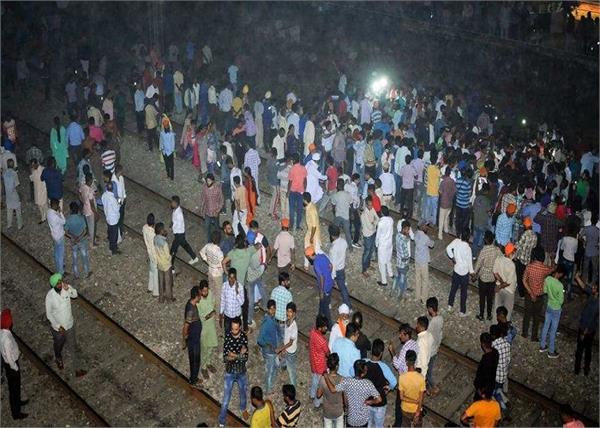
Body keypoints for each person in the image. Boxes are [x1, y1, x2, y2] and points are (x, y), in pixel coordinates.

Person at [45, 273, 87, 377]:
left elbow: (75, 295)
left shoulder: (66, 288)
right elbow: (49, 314)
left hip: (69, 324)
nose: (60, 284)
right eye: (58, 283)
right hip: (59, 329)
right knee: (58, 345)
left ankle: (77, 369)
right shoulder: (50, 297)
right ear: (54, 285)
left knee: (73, 346)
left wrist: (69, 289)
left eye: (61, 282)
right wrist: (57, 326)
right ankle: (58, 357)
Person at [323, 359, 382, 428]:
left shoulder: (347, 381)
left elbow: (333, 390)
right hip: (363, 420)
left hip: (351, 419)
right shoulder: (368, 384)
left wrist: (326, 377)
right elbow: (379, 399)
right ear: (363, 372)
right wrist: (370, 401)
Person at [218, 317, 250, 427]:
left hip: (241, 370)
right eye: (232, 329)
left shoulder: (243, 337)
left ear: (240, 327)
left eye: (236, 329)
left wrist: (233, 355)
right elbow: (225, 358)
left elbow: (245, 357)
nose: (233, 331)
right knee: (226, 397)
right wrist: (239, 355)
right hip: (230, 371)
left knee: (243, 392)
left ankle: (243, 408)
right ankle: (222, 420)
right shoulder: (228, 337)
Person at [0, 309, 28, 420]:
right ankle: (16, 413)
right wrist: (15, 367)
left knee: (15, 388)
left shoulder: (3, 332)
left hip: (10, 365)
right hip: (12, 366)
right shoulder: (6, 338)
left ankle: (18, 403)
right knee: (14, 388)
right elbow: (9, 356)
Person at [389, 323, 418, 427]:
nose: (399, 336)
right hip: (412, 378)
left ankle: (397, 424)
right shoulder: (415, 344)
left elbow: (397, 365)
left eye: (401, 334)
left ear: (407, 335)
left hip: (404, 380)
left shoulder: (405, 348)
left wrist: (392, 352)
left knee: (399, 404)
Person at [366, 339, 397, 428]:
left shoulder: (364, 362)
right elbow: (394, 382)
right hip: (380, 403)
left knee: (368, 424)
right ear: (381, 353)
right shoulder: (383, 367)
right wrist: (388, 388)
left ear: (371, 351)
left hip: (367, 401)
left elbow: (351, 372)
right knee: (378, 425)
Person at [573, 272, 598, 376]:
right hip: (591, 329)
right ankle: (586, 370)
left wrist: (584, 332)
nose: (592, 286)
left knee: (580, 350)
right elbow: (584, 287)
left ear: (597, 290)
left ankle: (577, 370)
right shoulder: (593, 294)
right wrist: (577, 277)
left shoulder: (596, 303)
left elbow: (590, 319)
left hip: (586, 329)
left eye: (595, 286)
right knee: (588, 350)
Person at [473, 231, 502, 321]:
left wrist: (474, 274)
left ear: (485, 239)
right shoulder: (497, 250)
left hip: (483, 278)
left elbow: (478, 264)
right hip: (493, 277)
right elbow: (501, 258)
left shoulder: (484, 250)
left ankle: (481, 314)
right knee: (490, 297)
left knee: (482, 297)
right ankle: (489, 315)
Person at [539, 265, 566, 358]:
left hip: (549, 305)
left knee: (546, 326)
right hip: (556, 309)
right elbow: (561, 301)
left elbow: (545, 290)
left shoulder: (548, 279)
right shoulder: (560, 285)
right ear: (560, 274)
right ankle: (551, 351)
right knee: (553, 330)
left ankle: (542, 346)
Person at [446, 229, 474, 316]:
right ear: (468, 237)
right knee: (463, 292)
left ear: (461, 235)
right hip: (464, 273)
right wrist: (472, 273)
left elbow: (448, 248)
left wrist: (452, 257)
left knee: (453, 289)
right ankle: (462, 311)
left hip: (456, 270)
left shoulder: (456, 241)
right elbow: (469, 263)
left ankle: (450, 306)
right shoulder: (468, 249)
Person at [305, 246, 334, 328]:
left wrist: (321, 291)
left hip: (325, 288)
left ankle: (330, 326)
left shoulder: (316, 264)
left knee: (326, 307)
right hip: (330, 283)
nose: (307, 258)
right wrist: (328, 275)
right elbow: (331, 266)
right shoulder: (322, 256)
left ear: (310, 256)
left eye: (307, 257)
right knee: (322, 303)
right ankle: (319, 317)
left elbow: (321, 278)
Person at [170, 195, 199, 270]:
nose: (171, 203)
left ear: (176, 203)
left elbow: (178, 225)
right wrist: (172, 223)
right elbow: (174, 220)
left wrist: (173, 226)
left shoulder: (179, 214)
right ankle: (194, 257)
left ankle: (171, 267)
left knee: (173, 250)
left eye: (172, 202)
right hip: (180, 234)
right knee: (185, 245)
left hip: (179, 234)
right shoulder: (175, 210)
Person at [257, 299, 279, 395]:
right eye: (271, 309)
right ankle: (268, 391)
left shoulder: (272, 319)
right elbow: (259, 340)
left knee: (275, 366)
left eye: (274, 309)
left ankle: (270, 383)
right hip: (269, 351)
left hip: (273, 350)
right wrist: (268, 345)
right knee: (269, 370)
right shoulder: (267, 322)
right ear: (268, 309)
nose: (273, 311)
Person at [197, 280, 218, 380]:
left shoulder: (210, 294)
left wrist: (213, 311)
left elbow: (213, 303)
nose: (205, 293)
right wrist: (210, 315)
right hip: (203, 327)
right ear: (200, 291)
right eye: (204, 291)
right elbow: (200, 317)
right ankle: (203, 367)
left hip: (211, 325)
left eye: (206, 291)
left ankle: (208, 363)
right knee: (204, 348)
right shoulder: (198, 300)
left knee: (211, 345)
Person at [398, 350, 425, 427]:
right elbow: (421, 397)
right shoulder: (421, 378)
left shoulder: (402, 378)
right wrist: (418, 412)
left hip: (405, 409)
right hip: (416, 409)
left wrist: (413, 401)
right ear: (415, 361)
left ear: (406, 361)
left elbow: (401, 397)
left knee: (406, 425)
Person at [64, 201, 91, 279]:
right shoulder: (81, 218)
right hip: (82, 240)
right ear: (77, 210)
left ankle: (76, 275)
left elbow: (65, 232)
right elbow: (85, 231)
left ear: (71, 210)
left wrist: (72, 237)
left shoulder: (68, 220)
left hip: (73, 242)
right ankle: (86, 272)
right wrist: (79, 237)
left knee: (75, 258)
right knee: (84, 257)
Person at [316, 353, 344, 428]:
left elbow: (318, 395)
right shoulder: (342, 379)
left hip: (327, 412)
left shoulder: (323, 379)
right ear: (337, 366)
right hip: (338, 411)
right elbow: (344, 396)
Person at [182, 285, 203, 388]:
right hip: (193, 338)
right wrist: (184, 339)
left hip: (195, 336)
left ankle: (194, 377)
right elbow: (186, 326)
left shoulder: (192, 304)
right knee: (195, 359)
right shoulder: (191, 310)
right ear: (196, 296)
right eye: (200, 295)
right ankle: (193, 381)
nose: (201, 296)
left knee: (195, 359)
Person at [200, 230, 225, 310]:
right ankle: (217, 309)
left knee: (211, 289)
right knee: (218, 293)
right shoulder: (219, 252)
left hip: (210, 270)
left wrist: (207, 260)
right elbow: (221, 264)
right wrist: (222, 270)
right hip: (217, 274)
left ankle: (211, 304)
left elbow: (201, 252)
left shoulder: (207, 246)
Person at [492, 242, 517, 320]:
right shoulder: (512, 265)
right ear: (511, 253)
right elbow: (508, 283)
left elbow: (495, 272)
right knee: (507, 311)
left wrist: (500, 283)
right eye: (514, 252)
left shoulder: (499, 259)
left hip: (499, 288)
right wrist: (501, 285)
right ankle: (504, 328)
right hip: (509, 291)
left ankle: (495, 326)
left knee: (497, 309)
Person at [309, 315, 330, 408]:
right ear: (320, 328)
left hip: (313, 362)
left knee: (314, 380)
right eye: (324, 327)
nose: (326, 328)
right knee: (320, 385)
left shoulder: (313, 332)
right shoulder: (322, 341)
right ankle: (317, 403)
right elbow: (328, 353)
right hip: (321, 366)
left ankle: (312, 394)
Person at [329, 225, 352, 309]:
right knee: (343, 288)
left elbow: (333, 263)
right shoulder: (344, 241)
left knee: (329, 288)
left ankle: (328, 303)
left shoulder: (334, 247)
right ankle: (348, 306)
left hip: (335, 271)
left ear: (332, 235)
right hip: (341, 268)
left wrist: (332, 276)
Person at [277, 302, 298, 388]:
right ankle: (283, 366)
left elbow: (290, 342)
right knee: (283, 358)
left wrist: (281, 348)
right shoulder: (287, 321)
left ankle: (294, 386)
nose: (288, 313)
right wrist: (283, 348)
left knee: (291, 370)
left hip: (291, 351)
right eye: (287, 311)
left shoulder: (294, 326)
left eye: (290, 312)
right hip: (287, 348)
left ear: (294, 313)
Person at [414, 220, 434, 304]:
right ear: (422, 227)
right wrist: (432, 241)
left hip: (417, 259)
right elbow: (431, 244)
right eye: (426, 226)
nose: (427, 227)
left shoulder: (416, 234)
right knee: (425, 280)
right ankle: (424, 298)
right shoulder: (425, 237)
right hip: (423, 262)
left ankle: (417, 296)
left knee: (418, 278)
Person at [220, 268, 245, 334]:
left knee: (236, 333)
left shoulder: (240, 287)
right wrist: (221, 312)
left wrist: (237, 292)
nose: (232, 280)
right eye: (230, 277)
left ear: (236, 278)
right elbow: (223, 300)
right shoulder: (224, 286)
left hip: (236, 316)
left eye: (233, 278)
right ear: (228, 277)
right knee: (227, 332)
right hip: (227, 315)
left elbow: (242, 303)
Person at [425, 298, 443, 396]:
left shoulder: (432, 323)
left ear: (431, 309)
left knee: (428, 372)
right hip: (435, 349)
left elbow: (427, 337)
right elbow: (440, 334)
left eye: (428, 308)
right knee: (429, 369)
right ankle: (427, 388)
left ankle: (434, 387)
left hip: (430, 351)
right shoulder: (440, 319)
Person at [474, 332, 499, 399]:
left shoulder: (486, 359)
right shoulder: (495, 352)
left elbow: (482, 377)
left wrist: (480, 390)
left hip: (483, 389)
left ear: (483, 344)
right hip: (491, 385)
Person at [154, 222, 175, 303]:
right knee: (168, 283)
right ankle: (169, 299)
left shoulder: (155, 239)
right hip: (166, 265)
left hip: (159, 264)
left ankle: (161, 298)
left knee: (161, 282)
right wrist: (171, 256)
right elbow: (167, 256)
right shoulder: (164, 243)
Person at [200, 173, 224, 240]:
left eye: (209, 181)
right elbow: (203, 198)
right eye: (207, 181)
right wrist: (202, 209)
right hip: (207, 212)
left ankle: (218, 239)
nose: (208, 182)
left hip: (215, 212)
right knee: (207, 227)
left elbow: (221, 200)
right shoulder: (205, 188)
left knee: (216, 227)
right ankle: (209, 241)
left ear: (213, 181)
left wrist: (218, 210)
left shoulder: (217, 189)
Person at [288, 154, 307, 231]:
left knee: (292, 209)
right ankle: (298, 226)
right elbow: (305, 180)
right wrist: (304, 188)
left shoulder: (292, 169)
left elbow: (290, 182)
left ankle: (291, 225)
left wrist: (288, 191)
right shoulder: (303, 168)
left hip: (292, 191)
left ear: (293, 161)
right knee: (300, 209)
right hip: (300, 191)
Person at [375, 206, 394, 287]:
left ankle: (384, 281)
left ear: (382, 213)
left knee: (381, 263)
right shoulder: (391, 220)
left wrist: (376, 244)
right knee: (388, 259)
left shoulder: (380, 223)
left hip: (382, 245)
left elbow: (378, 235)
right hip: (389, 243)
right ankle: (391, 274)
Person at [361, 196, 379, 277]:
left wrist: (373, 223)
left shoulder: (372, 209)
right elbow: (369, 226)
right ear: (366, 204)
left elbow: (377, 218)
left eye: (372, 205)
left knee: (371, 250)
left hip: (373, 233)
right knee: (366, 252)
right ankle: (364, 269)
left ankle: (368, 265)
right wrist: (374, 223)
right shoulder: (364, 214)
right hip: (367, 235)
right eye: (369, 205)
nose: (371, 207)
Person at [303, 192, 322, 269]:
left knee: (316, 250)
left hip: (314, 233)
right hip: (310, 231)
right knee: (307, 247)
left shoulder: (311, 210)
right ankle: (306, 264)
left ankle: (319, 264)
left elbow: (314, 226)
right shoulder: (309, 206)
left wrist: (311, 237)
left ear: (305, 201)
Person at [47, 198, 66, 274]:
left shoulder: (48, 212)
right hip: (59, 236)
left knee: (56, 252)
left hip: (54, 235)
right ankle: (61, 271)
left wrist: (57, 212)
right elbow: (64, 221)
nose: (58, 206)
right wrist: (60, 212)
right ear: (55, 206)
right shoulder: (55, 216)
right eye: (58, 205)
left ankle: (58, 266)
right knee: (60, 254)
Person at [101, 181, 121, 255]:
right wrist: (118, 203)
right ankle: (113, 249)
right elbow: (116, 209)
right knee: (114, 235)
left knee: (110, 232)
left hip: (108, 217)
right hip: (114, 219)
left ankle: (112, 245)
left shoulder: (104, 195)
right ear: (112, 189)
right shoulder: (112, 199)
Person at [3, 159, 22, 230]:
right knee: (18, 210)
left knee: (9, 211)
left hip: (8, 195)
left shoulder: (4, 173)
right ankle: (20, 225)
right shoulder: (14, 173)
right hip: (14, 194)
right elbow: (17, 185)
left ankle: (9, 225)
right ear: (13, 164)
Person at [394, 220, 411, 297]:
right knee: (402, 279)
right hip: (403, 264)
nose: (408, 231)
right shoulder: (403, 241)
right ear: (404, 229)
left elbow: (405, 239)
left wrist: (407, 237)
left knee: (398, 276)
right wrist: (407, 259)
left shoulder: (398, 235)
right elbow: (405, 255)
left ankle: (393, 290)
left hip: (398, 261)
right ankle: (400, 295)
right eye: (408, 229)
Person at [143, 213, 159, 297]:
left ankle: (150, 287)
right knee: (155, 272)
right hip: (154, 255)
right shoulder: (153, 234)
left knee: (151, 270)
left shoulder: (144, 228)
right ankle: (156, 292)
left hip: (149, 252)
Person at [79, 173, 97, 248]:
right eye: (92, 180)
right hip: (90, 211)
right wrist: (96, 213)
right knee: (92, 227)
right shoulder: (90, 190)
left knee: (88, 225)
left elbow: (79, 193)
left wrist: (83, 201)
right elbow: (92, 203)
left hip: (85, 209)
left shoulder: (83, 186)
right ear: (90, 180)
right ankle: (92, 244)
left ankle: (90, 238)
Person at [437, 168, 456, 240]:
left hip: (443, 202)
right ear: (450, 173)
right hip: (450, 202)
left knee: (441, 218)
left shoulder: (443, 182)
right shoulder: (452, 181)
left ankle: (440, 234)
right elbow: (455, 191)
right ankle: (446, 229)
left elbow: (440, 191)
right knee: (447, 216)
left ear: (445, 173)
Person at [29, 158, 48, 224]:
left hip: (43, 190)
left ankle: (46, 217)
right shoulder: (33, 171)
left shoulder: (43, 169)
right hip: (37, 190)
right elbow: (31, 179)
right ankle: (43, 217)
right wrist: (32, 172)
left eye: (34, 165)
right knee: (39, 205)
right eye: (32, 166)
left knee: (44, 205)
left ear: (37, 163)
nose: (33, 167)